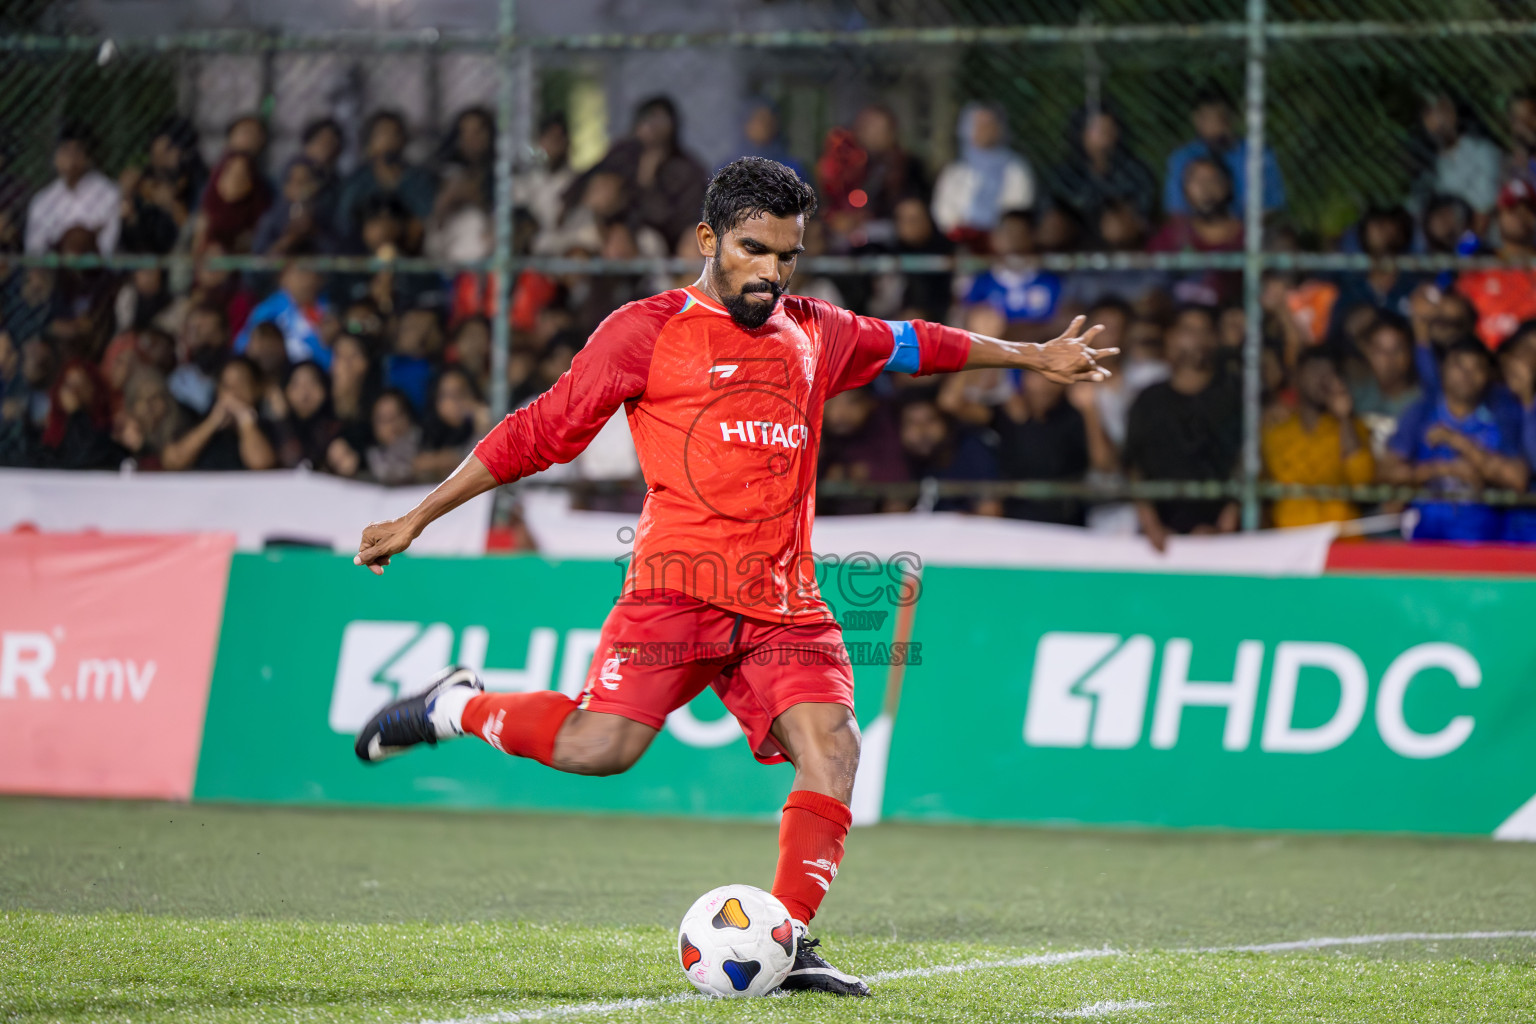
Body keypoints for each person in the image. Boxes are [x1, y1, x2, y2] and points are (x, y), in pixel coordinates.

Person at [346, 157, 1113, 997]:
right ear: (709, 239)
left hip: (786, 607)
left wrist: (1032, 355)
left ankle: (785, 940)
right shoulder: (645, 330)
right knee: (600, 748)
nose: (773, 273)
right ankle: (455, 705)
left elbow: (917, 342)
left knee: (835, 750)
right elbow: (539, 431)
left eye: (788, 256)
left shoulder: (815, 329)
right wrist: (420, 514)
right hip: (674, 593)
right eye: (755, 251)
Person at [1381, 337, 1527, 541]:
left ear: (1489, 375)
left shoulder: (1500, 415)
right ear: (1443, 368)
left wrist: (1458, 441)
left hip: (1483, 536)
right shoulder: (1421, 412)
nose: (1467, 375)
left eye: (1476, 368)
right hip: (1424, 532)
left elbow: (1517, 479)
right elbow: (1387, 472)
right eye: (1459, 365)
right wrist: (1439, 470)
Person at [1123, 305, 1241, 550]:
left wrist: (1225, 526)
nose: (1196, 339)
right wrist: (1152, 526)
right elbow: (1134, 468)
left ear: (1216, 339)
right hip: (1158, 539)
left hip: (1223, 540)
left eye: (1204, 331)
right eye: (1188, 330)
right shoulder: (1148, 401)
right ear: (1171, 337)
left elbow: (1246, 463)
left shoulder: (1235, 399)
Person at [1262, 349, 1374, 528]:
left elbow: (1361, 482)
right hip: (1290, 537)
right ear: (1297, 377)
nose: (1322, 379)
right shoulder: (1276, 432)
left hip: (1340, 539)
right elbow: (1259, 486)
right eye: (1315, 371)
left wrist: (1344, 418)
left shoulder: (1353, 428)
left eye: (1329, 373)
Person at [1163, 90, 1285, 218]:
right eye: (1208, 117)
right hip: (1199, 232)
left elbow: (1273, 206)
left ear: (1234, 117)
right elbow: (1176, 210)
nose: (1217, 124)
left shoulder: (1257, 154)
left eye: (1222, 116)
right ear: (1196, 119)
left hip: (1250, 230)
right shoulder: (1182, 158)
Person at [930, 103, 1035, 241]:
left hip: (1004, 241)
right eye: (978, 125)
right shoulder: (955, 171)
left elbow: (1018, 207)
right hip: (961, 241)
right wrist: (963, 231)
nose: (984, 130)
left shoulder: (1016, 168)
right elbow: (943, 211)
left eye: (989, 124)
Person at [1149, 156, 1243, 307]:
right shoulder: (1173, 235)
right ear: (1185, 189)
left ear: (1227, 185)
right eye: (1196, 181)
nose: (1205, 188)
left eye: (1211, 179)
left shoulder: (1249, 236)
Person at [335, 110, 437, 250]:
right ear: (370, 142)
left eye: (395, 134)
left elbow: (427, 214)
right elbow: (344, 220)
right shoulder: (358, 179)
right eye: (383, 134)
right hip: (364, 247)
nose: (389, 140)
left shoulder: (417, 177)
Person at [162, 354, 278, 471]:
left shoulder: (269, 425)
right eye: (226, 386)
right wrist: (212, 422)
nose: (232, 393)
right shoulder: (197, 420)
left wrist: (245, 419)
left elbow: (261, 464)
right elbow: (172, 462)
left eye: (241, 384)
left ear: (257, 389)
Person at [1458, 179, 1536, 350]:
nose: (1519, 216)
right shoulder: (1480, 266)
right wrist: (1475, 234)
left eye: (1528, 209)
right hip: (1487, 361)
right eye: (1511, 209)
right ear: (1498, 216)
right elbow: (1448, 274)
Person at [1051, 106, 1158, 230]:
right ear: (1080, 133)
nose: (1105, 136)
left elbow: (1144, 214)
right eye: (1098, 130)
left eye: (1110, 129)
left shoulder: (1137, 171)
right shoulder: (1065, 173)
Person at [25, 125, 120, 256]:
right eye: (65, 150)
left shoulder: (109, 193)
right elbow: (34, 249)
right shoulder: (42, 200)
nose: (71, 157)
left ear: (88, 158)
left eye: (77, 150)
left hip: (94, 270)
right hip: (54, 269)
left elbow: (107, 248)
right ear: (55, 158)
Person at [1411, 92, 1502, 221]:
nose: (1438, 119)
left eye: (1443, 110)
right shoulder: (1433, 170)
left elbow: (1487, 202)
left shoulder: (1483, 148)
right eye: (1430, 113)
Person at [234, 260, 332, 368]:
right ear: (283, 278)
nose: (306, 279)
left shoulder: (330, 309)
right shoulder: (267, 311)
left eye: (311, 271)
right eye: (301, 271)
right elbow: (242, 345)